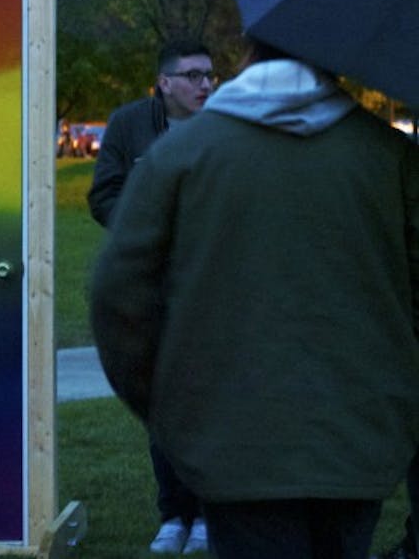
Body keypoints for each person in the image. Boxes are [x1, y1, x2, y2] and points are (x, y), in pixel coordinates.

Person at [90, 40, 419, 559]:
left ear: (247, 59)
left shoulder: (182, 153)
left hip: (234, 439)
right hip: (359, 437)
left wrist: (165, 406)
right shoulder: (388, 154)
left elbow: (119, 297)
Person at [88, 39, 215, 554]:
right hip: (154, 283)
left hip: (210, 280)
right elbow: (103, 193)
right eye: (192, 75)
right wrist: (148, 231)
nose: (205, 84)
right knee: (164, 400)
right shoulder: (129, 124)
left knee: (210, 398)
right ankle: (175, 514)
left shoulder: (225, 125)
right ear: (164, 83)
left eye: (210, 75)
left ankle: (209, 511)